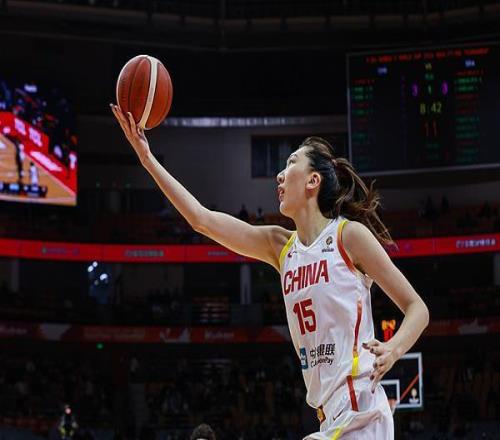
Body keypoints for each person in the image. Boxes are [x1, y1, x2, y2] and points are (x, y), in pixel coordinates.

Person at [111, 106, 429, 440]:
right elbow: (202, 220)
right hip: (329, 417)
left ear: (313, 181)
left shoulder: (347, 236)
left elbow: (417, 308)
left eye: (291, 163)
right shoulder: (280, 247)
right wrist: (147, 159)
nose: (279, 174)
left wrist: (394, 349)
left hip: (360, 410)